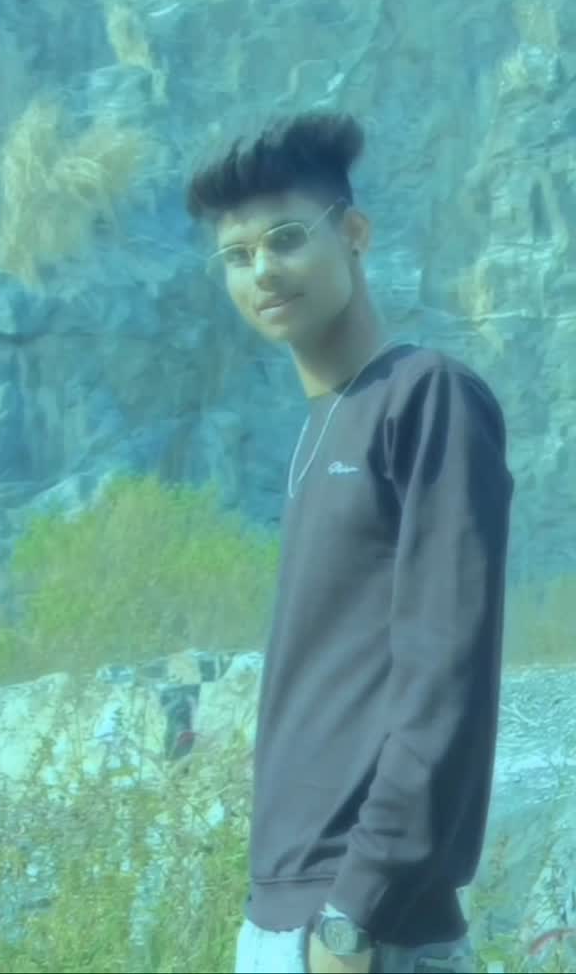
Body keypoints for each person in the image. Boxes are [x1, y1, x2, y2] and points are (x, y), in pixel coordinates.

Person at [184, 112, 514, 974]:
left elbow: (445, 676)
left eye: (287, 238)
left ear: (354, 233)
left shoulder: (426, 397)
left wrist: (355, 912)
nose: (263, 270)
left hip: (366, 931)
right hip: (283, 920)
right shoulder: (320, 426)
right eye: (237, 255)